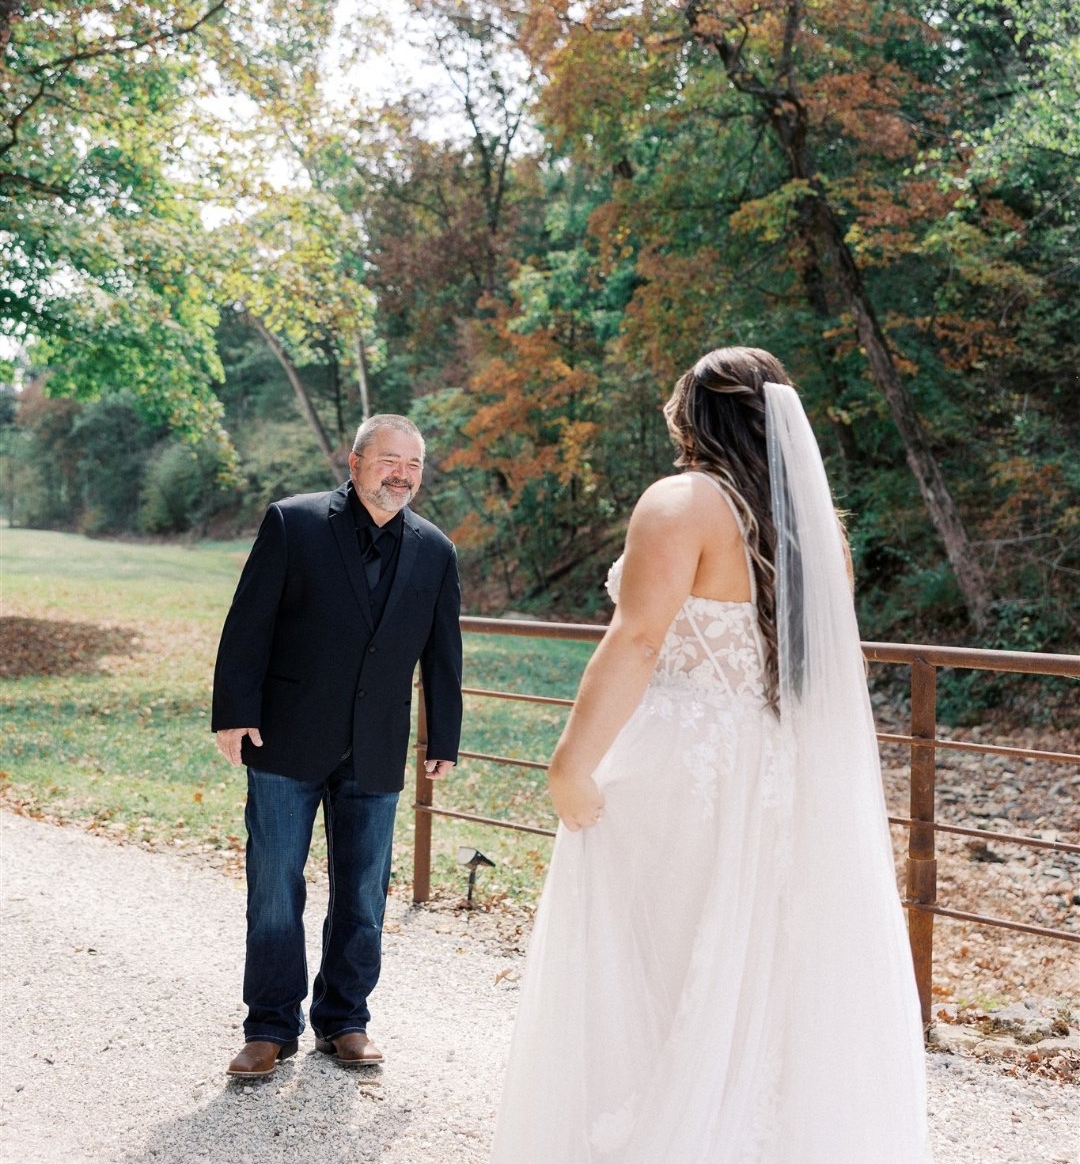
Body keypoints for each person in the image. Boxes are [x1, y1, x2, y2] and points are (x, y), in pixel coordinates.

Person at [489, 348, 930, 1163]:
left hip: (683, 766)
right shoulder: (812, 525)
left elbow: (641, 637)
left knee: (653, 955)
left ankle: (658, 1132)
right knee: (761, 963)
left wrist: (570, 763)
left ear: (696, 412)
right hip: (776, 763)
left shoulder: (682, 502)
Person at [212, 413, 462, 1078]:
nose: (402, 474)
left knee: (362, 892)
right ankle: (269, 1026)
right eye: (389, 460)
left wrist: (445, 735)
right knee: (273, 887)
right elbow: (248, 623)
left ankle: (345, 1019)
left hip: (376, 748)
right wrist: (233, 714)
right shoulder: (293, 524)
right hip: (285, 738)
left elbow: (443, 655)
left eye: (413, 464)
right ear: (354, 464)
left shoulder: (436, 551)